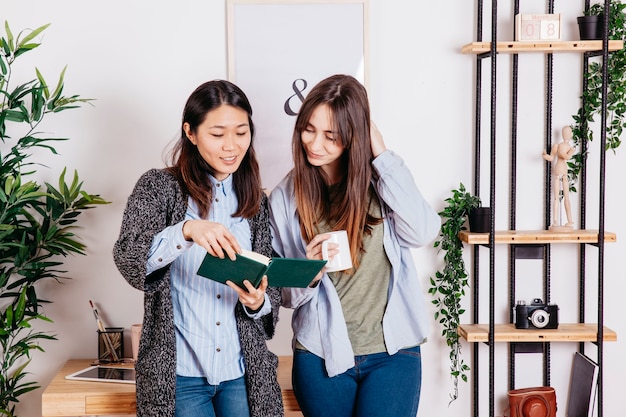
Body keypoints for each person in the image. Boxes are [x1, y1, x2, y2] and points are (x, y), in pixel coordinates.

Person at [268, 74, 441, 417]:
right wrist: (308, 272)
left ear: (353, 137)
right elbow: (283, 295)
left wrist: (381, 151)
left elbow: (422, 232)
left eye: (331, 136)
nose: (315, 143)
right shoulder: (286, 196)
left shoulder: (381, 182)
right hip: (320, 352)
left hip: (393, 353)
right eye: (309, 129)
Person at [113, 80, 283, 417]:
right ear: (191, 133)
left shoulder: (256, 201)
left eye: (241, 132)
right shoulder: (158, 187)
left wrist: (258, 301)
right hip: (180, 376)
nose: (231, 146)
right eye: (217, 135)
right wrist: (186, 230)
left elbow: (269, 284)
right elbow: (129, 258)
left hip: (242, 372)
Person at [542, 125, 576, 230]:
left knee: (566, 197)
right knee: (556, 197)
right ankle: (555, 221)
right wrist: (545, 155)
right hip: (557, 171)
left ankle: (569, 220)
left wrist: (562, 153)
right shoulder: (557, 146)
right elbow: (551, 157)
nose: (567, 134)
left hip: (564, 172)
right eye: (565, 132)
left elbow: (568, 156)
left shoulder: (571, 148)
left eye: (568, 132)